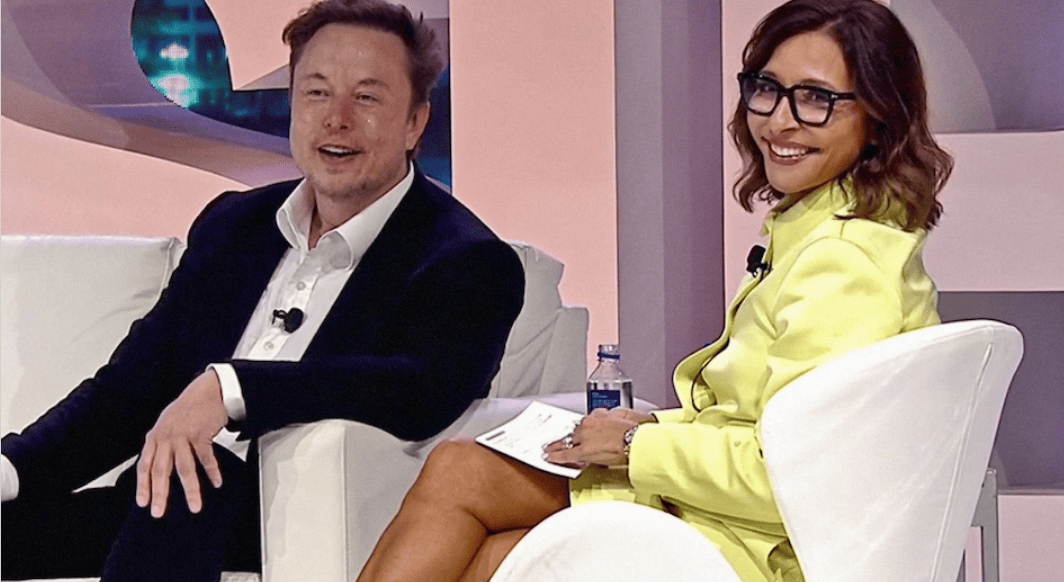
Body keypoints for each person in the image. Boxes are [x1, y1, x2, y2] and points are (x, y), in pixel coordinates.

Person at [353, 1, 953, 581]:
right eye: (767, 89)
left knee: (470, 504)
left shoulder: (843, 264)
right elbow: (750, 420)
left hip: (754, 545)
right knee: (469, 502)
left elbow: (797, 475)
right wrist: (648, 429)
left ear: (880, 116)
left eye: (817, 99)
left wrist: (635, 442)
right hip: (720, 516)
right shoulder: (826, 231)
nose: (780, 120)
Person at [0, 1, 525, 580]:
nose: (337, 119)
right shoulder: (235, 227)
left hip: (289, 518)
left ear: (415, 122)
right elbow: (127, 392)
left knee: (189, 486)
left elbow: (421, 387)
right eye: (316, 93)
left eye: (366, 97)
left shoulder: (467, 260)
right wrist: (11, 469)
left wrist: (231, 389)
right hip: (162, 504)